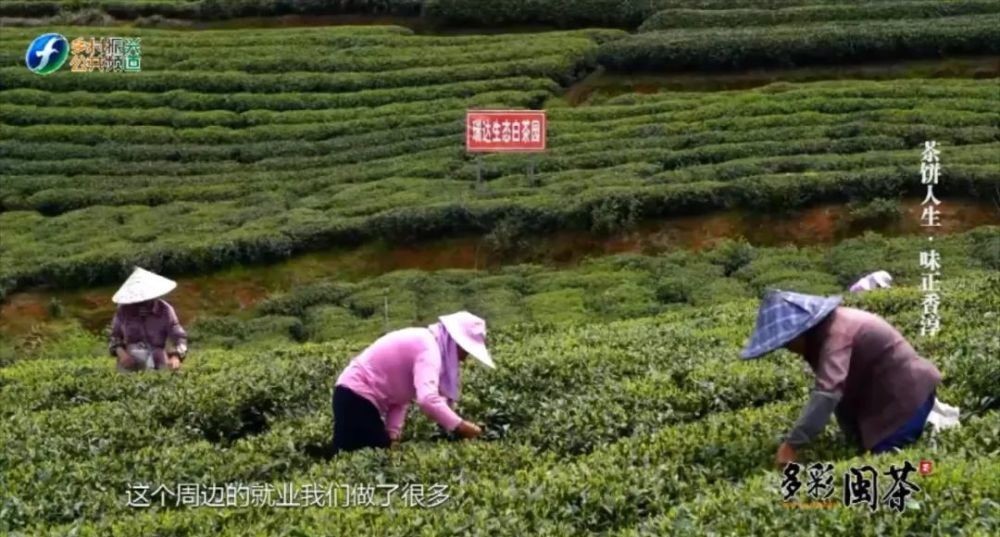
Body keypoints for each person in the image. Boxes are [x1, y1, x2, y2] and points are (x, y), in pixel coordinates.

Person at [741, 290, 954, 466]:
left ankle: (934, 425)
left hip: (907, 396)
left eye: (787, 342)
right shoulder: (823, 335)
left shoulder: (837, 335)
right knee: (865, 451)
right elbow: (840, 395)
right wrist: (853, 437)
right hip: (886, 396)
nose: (788, 349)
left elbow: (827, 393)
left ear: (800, 331)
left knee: (885, 465)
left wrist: (792, 445)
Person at [332, 311, 495, 454]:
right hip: (355, 397)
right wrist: (461, 426)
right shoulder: (429, 349)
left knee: (355, 452)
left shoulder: (429, 343)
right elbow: (427, 400)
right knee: (368, 456)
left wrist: (392, 436)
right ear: (456, 342)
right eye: (466, 350)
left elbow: (400, 399)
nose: (465, 358)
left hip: (352, 398)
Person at [108, 267, 188, 372]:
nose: (142, 302)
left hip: (158, 358)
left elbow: (180, 338)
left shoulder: (165, 310)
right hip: (130, 359)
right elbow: (114, 337)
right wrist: (122, 354)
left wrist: (176, 357)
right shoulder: (124, 311)